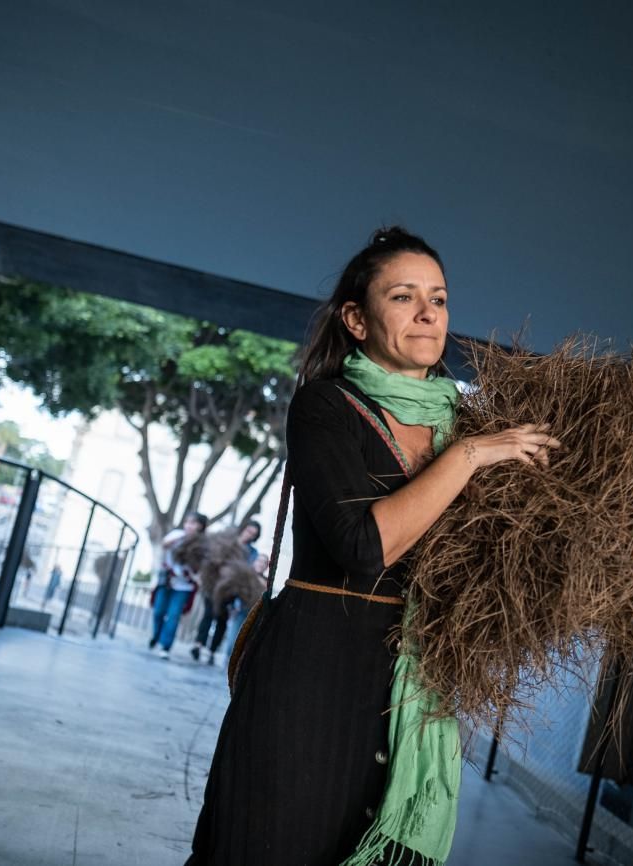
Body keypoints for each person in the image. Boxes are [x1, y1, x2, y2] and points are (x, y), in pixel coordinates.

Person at [187, 227, 559, 865]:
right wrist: (469, 458)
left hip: (409, 682)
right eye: (404, 296)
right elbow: (362, 547)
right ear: (357, 320)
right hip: (313, 671)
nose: (426, 314)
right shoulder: (327, 406)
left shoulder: (470, 423)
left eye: (438, 299)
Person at [190, 520, 261, 664]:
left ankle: (212, 650)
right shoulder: (227, 542)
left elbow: (247, 572)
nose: (249, 535)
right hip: (213, 583)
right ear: (243, 529)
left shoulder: (252, 553)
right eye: (249, 531)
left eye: (253, 534)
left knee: (221, 619)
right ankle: (199, 644)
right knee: (208, 614)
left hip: (230, 590)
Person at [149, 511, 208, 659]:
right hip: (167, 580)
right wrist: (182, 538)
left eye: (193, 523)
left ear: (200, 526)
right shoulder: (176, 535)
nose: (189, 525)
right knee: (158, 612)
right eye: (187, 522)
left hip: (184, 586)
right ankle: (156, 636)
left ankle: (165, 646)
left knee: (174, 616)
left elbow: (202, 565)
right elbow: (164, 544)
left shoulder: (202, 545)